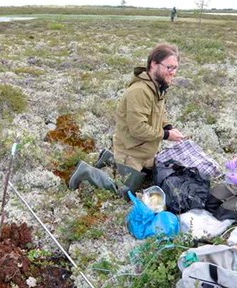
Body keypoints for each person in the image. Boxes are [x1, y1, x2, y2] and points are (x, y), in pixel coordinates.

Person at [69, 44, 184, 197]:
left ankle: (109, 159)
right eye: (169, 67)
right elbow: (138, 129)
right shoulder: (140, 91)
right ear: (153, 64)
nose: (173, 73)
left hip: (145, 150)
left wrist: (168, 127)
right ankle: (85, 172)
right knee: (123, 192)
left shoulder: (158, 87)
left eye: (175, 68)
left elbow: (159, 114)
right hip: (132, 150)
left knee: (152, 177)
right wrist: (166, 135)